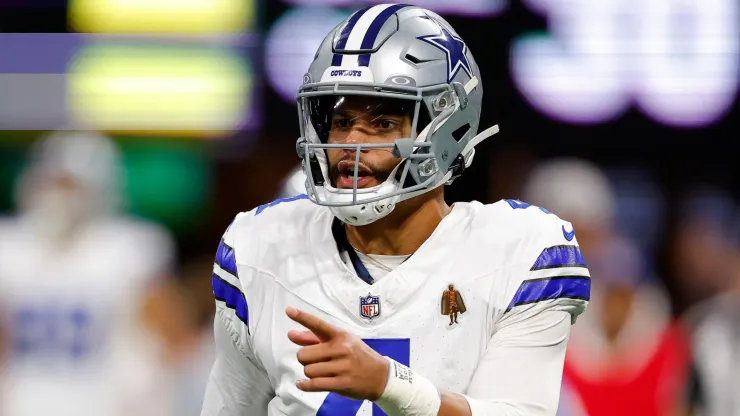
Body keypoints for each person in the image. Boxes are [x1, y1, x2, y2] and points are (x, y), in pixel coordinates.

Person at [201, 4, 590, 416]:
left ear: (446, 129)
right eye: (340, 120)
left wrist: (390, 384)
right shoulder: (263, 245)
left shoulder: (521, 252)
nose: (349, 144)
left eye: (382, 123)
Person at [0, 131, 177, 416]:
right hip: (24, 403)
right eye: (55, 183)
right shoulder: (10, 247)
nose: (59, 196)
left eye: (71, 186)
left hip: (102, 404)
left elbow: (168, 340)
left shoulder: (129, 249)